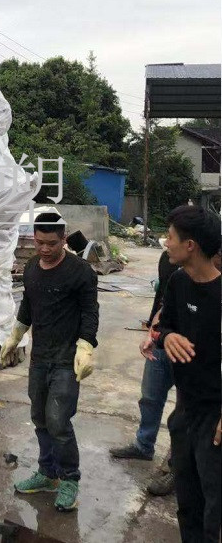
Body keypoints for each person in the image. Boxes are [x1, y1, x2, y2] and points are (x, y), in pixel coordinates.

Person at [0, 212, 99, 512]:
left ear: (63, 239)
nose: (44, 249)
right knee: (40, 417)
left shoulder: (80, 271)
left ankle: (69, 479)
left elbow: (90, 311)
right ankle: (47, 473)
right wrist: (15, 335)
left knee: (58, 420)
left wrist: (86, 345)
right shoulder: (32, 267)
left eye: (51, 244)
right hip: (40, 357)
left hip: (66, 360)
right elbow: (28, 305)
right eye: (39, 242)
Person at [155, 205, 221, 542]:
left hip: (215, 417)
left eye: (170, 237)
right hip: (184, 409)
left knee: (215, 507)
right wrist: (168, 337)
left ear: (190, 245)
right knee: (187, 501)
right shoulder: (178, 281)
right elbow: (164, 325)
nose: (166, 243)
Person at [109, 250, 178, 494]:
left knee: (184, 416)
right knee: (150, 397)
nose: (167, 242)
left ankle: (176, 468)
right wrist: (152, 331)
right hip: (161, 343)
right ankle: (143, 445)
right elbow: (163, 301)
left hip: (191, 352)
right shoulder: (169, 259)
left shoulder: (208, 273)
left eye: (172, 237)